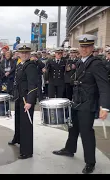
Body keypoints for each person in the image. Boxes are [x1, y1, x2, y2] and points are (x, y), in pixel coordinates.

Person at [52, 34, 110, 174]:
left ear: (92, 48)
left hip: (88, 104)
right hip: (77, 101)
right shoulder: (79, 62)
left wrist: (105, 106)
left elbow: (104, 86)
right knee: (73, 128)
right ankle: (70, 149)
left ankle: (90, 162)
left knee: (86, 133)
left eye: (88, 46)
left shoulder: (96, 64)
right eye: (82, 46)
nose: (84, 49)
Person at [9, 43, 38, 160]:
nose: (24, 54)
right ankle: (18, 138)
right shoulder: (20, 64)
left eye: (26, 53)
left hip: (26, 99)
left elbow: (33, 85)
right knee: (19, 121)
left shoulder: (30, 66)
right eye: (22, 52)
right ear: (19, 54)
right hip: (19, 97)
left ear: (29, 53)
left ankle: (27, 151)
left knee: (26, 125)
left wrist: (30, 101)